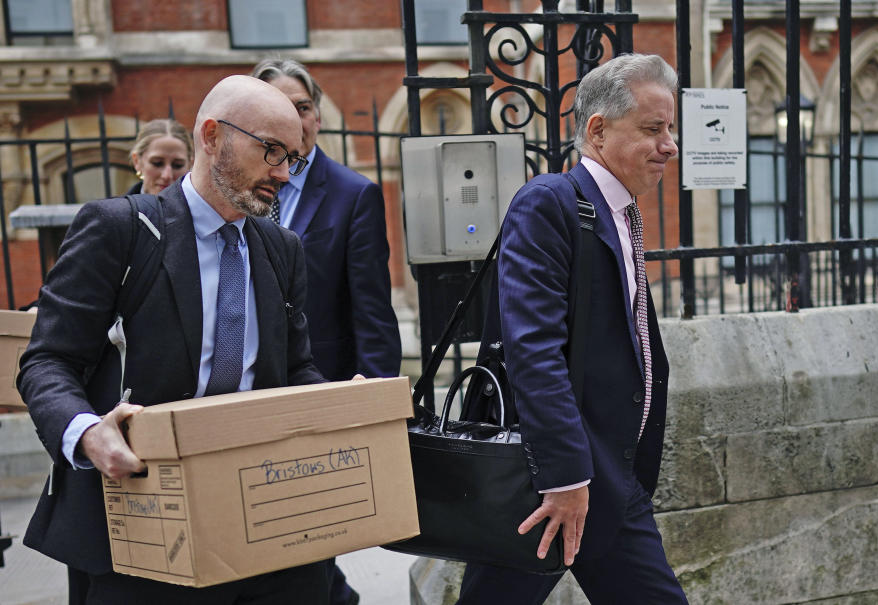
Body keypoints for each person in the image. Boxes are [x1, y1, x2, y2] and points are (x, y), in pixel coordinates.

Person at [18, 75, 331, 605]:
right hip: (139, 526)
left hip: (265, 524)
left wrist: (341, 406)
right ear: (211, 136)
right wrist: (87, 433)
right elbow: (47, 361)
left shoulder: (283, 248)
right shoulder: (119, 229)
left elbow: (293, 369)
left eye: (293, 158)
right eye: (271, 150)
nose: (283, 172)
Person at [457, 54, 689, 604]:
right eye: (653, 129)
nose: (670, 145)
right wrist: (564, 480)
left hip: (611, 481)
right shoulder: (549, 205)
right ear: (598, 130)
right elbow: (532, 350)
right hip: (552, 486)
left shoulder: (619, 212)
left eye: (671, 128)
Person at [251, 58, 401, 605]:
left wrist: (377, 400)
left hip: (321, 385)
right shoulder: (236, 188)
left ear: (317, 116)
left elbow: (372, 308)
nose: (296, 118)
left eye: (304, 107)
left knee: (311, 528)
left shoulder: (351, 193)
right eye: (280, 108)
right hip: (242, 391)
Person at [128, 118, 193, 195]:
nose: (167, 175)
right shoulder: (117, 206)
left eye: (177, 165)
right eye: (157, 163)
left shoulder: (202, 206)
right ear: (137, 161)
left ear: (190, 165)